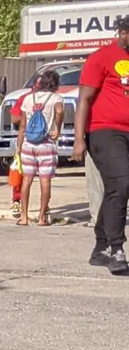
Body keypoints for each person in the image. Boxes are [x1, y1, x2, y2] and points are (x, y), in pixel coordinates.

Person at [75, 17, 129, 274]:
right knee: (121, 182)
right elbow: (84, 99)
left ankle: (100, 246)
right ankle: (117, 248)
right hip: (105, 131)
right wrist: (78, 139)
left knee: (115, 189)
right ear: (122, 33)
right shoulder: (101, 57)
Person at [14, 68, 64, 226]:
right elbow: (60, 111)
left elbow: (22, 124)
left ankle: (24, 217)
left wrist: (19, 146)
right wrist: (58, 127)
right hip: (46, 144)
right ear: (55, 84)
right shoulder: (56, 98)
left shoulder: (29, 98)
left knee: (27, 180)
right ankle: (42, 218)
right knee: (45, 181)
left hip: (29, 144)